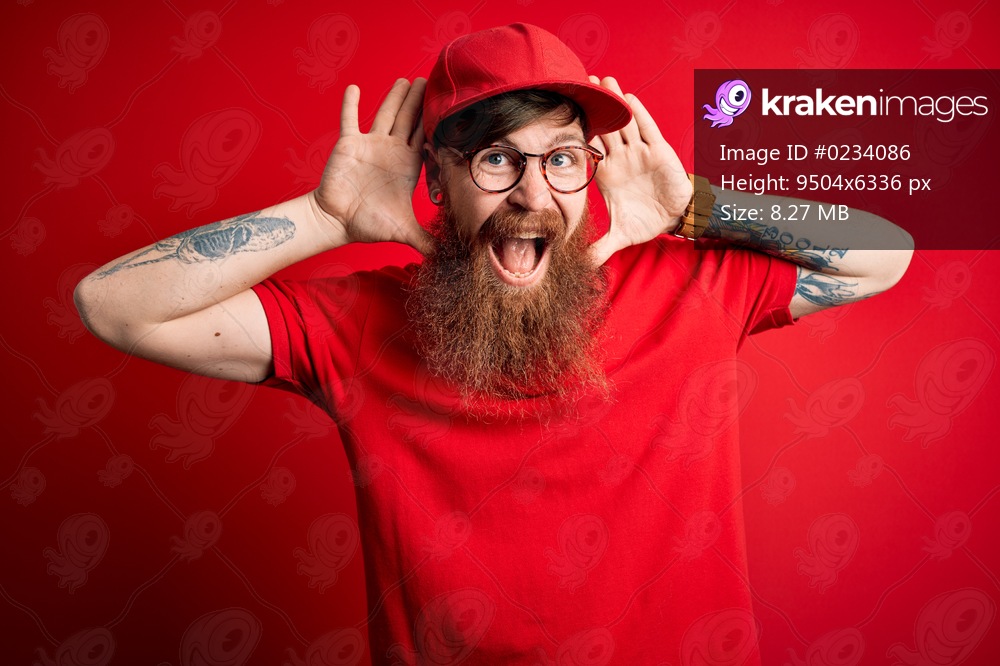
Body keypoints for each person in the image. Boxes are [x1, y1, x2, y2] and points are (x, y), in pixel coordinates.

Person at [75, 23, 912, 665]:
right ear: (435, 178)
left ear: (592, 170)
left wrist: (694, 204)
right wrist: (325, 216)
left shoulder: (687, 288)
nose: (533, 194)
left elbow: (886, 252)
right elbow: (114, 306)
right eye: (496, 161)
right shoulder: (360, 326)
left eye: (561, 159)